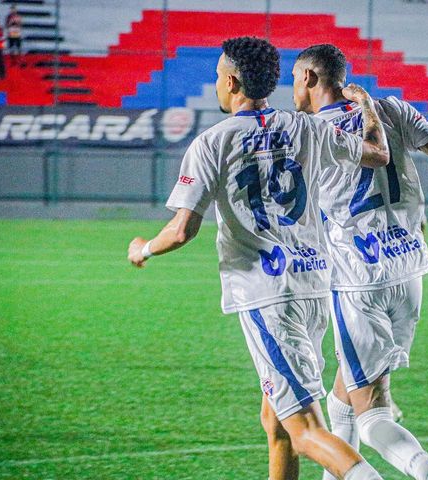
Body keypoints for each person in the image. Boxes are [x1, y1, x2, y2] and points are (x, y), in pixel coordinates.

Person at [127, 36, 392, 480]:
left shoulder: (214, 142)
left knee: (305, 429)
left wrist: (143, 249)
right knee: (277, 423)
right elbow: (376, 155)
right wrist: (367, 108)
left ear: (231, 81)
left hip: (267, 295)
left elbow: (181, 230)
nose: (215, 82)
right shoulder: (305, 127)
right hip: (311, 286)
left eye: (216, 75)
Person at [285, 43, 428, 480]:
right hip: (409, 271)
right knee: (342, 398)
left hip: (357, 280)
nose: (292, 87)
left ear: (311, 78)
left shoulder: (308, 134)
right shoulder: (393, 111)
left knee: (372, 415)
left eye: (295, 78)